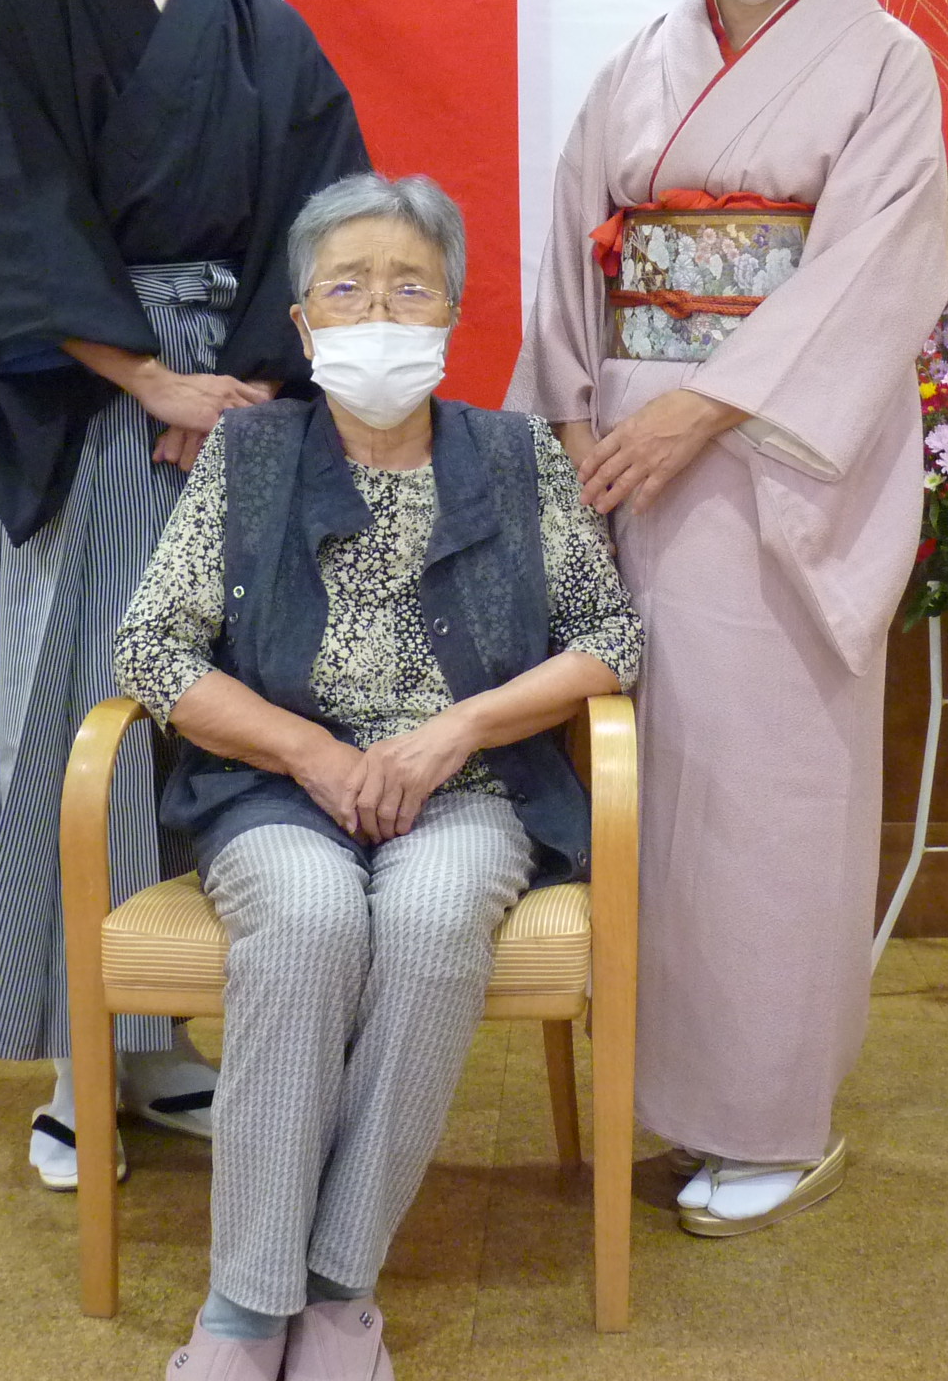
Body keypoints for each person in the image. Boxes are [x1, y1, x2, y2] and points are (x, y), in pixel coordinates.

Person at [0, 0, 368, 1190]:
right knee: (81, 721)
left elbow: (326, 224)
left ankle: (169, 1040)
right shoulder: (6, 11)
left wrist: (245, 391)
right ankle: (79, 1061)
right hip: (82, 405)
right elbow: (6, 219)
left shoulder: (268, 38)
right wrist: (141, 378)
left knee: (221, 725)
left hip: (234, 415)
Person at [508, 0, 948, 1236]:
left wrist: (702, 409)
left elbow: (874, 272)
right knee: (648, 780)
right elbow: (574, 254)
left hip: (772, 463)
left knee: (765, 789)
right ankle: (665, 1090)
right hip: (629, 461)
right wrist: (579, 426)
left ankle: (772, 1116)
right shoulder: (639, 61)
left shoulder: (883, 64)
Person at [114, 173, 641, 1381]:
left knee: (431, 918)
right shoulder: (247, 453)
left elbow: (611, 636)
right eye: (345, 289)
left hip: (469, 789)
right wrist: (306, 749)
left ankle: (338, 1290)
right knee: (307, 921)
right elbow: (152, 650)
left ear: (450, 311)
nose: (378, 310)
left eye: (409, 287)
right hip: (272, 790)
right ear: (303, 324)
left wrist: (456, 732)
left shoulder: (516, 455)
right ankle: (247, 1307)